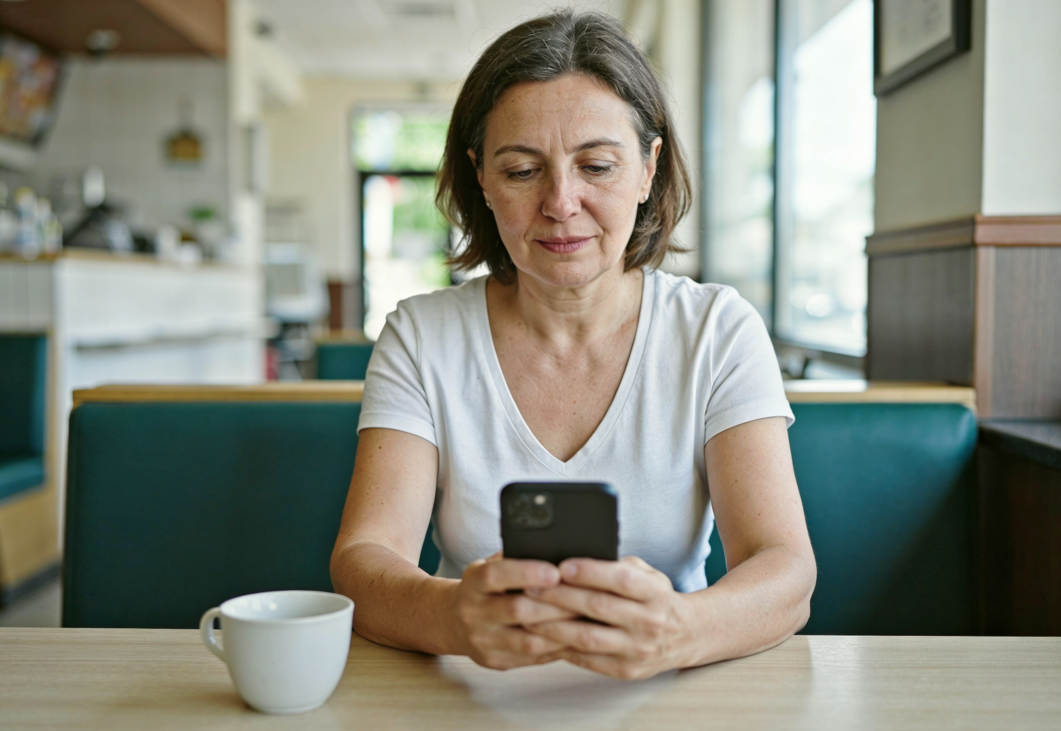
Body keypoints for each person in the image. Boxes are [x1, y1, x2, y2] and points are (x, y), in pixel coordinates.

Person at [331, 10, 816, 681]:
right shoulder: (420, 336)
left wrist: (679, 630)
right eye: (523, 169)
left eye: (596, 165)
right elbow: (364, 557)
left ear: (649, 169)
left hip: (670, 689)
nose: (561, 202)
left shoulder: (717, 331)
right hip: (465, 692)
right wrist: (452, 619)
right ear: (481, 177)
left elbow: (787, 571)